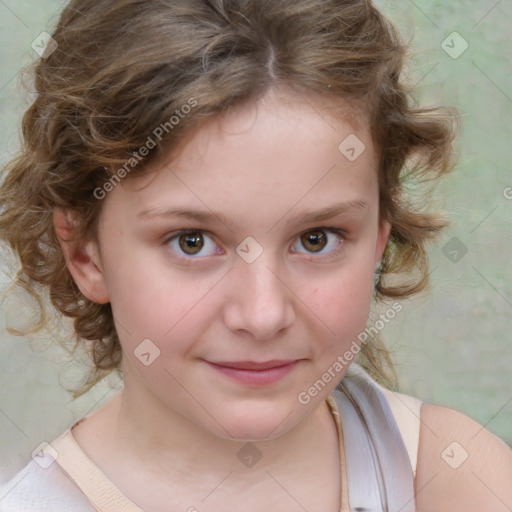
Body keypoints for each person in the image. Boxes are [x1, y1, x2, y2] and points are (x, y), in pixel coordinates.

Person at [0, 0, 510, 510]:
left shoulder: (453, 479)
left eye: (317, 239)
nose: (263, 315)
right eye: (192, 242)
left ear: (379, 238)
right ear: (87, 255)